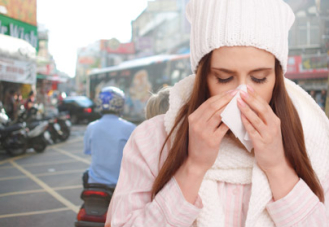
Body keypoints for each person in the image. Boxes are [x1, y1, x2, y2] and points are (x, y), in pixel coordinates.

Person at [106, 0, 329, 226]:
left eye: (259, 78)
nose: (242, 95)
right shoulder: (152, 139)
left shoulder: (313, 139)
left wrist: (277, 166)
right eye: (224, 78)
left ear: (277, 79)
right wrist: (194, 165)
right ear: (203, 77)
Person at [83, 86, 136, 188]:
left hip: (95, 182)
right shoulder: (130, 128)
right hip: (121, 184)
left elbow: (88, 151)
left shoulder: (91, 127)